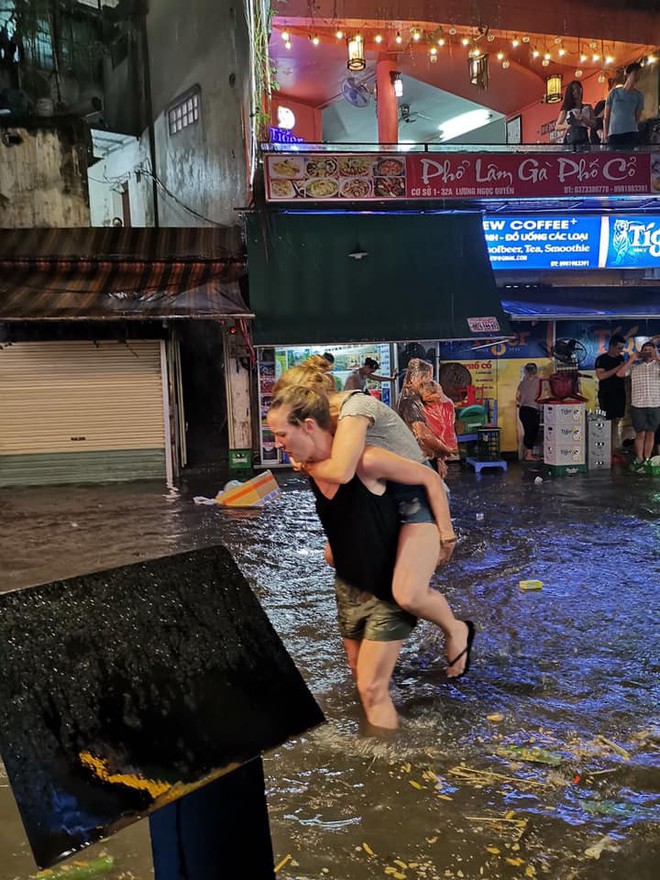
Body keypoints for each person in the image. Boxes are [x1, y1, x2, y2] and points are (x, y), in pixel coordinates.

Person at [267, 385, 474, 731]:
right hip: (350, 586)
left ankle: (391, 765)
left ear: (309, 426)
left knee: (371, 686)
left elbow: (429, 479)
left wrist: (445, 533)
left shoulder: (364, 457)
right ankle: (388, 721)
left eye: (280, 434)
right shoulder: (314, 469)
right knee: (362, 677)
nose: (276, 443)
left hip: (386, 589)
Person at [397, 359, 457, 474]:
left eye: (429, 377)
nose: (428, 381)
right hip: (418, 460)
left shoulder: (418, 398)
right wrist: (445, 450)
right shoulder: (409, 401)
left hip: (427, 457)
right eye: (425, 377)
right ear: (414, 378)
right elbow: (422, 434)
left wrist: (439, 457)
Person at [615, 340, 660, 471]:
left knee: (651, 433)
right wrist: (632, 359)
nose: (647, 353)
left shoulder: (657, 366)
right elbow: (619, 374)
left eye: (650, 350)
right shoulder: (635, 367)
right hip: (638, 405)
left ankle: (647, 458)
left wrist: (656, 357)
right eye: (645, 350)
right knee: (640, 433)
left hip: (655, 404)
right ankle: (639, 457)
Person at [595, 333, 627, 453]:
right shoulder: (602, 359)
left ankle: (614, 448)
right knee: (607, 421)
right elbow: (601, 376)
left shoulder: (620, 358)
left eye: (622, 348)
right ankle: (606, 449)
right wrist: (617, 369)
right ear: (611, 346)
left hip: (619, 393)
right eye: (619, 348)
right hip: (606, 394)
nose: (620, 351)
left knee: (616, 421)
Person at [603, 63, 644, 147]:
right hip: (614, 132)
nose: (637, 77)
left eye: (639, 74)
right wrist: (605, 134)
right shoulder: (614, 93)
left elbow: (638, 116)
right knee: (615, 156)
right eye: (635, 74)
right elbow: (606, 116)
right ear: (628, 75)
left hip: (631, 133)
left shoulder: (638, 95)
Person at [555, 80, 595, 146]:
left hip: (583, 135)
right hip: (571, 135)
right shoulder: (567, 108)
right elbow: (557, 126)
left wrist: (584, 119)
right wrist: (568, 126)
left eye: (578, 88)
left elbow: (594, 124)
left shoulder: (588, 107)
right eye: (573, 90)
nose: (576, 91)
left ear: (581, 89)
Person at [516, 363, 542, 461]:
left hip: (523, 410)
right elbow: (545, 395)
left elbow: (517, 396)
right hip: (532, 410)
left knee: (527, 431)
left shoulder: (522, 382)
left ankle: (527, 453)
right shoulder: (540, 381)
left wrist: (523, 401)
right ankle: (529, 455)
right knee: (532, 432)